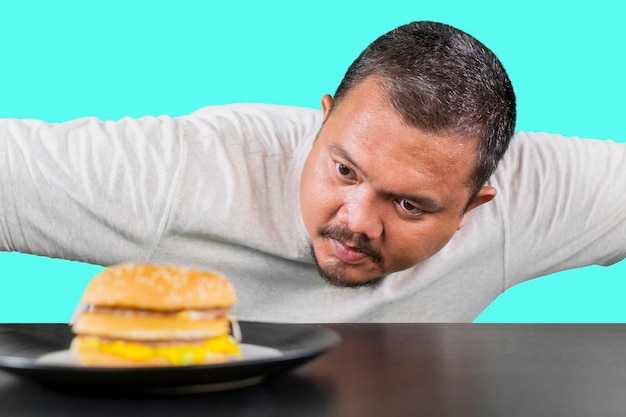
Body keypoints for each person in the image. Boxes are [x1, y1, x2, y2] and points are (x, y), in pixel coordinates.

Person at [1, 21, 624, 322]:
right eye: (345, 170)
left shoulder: (527, 200)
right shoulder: (186, 169)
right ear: (321, 122)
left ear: (474, 205)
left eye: (409, 205)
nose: (356, 222)